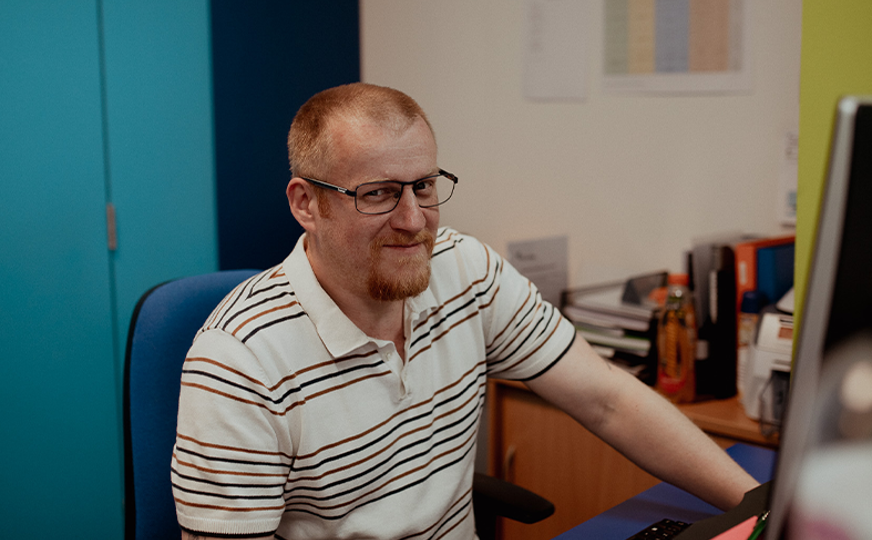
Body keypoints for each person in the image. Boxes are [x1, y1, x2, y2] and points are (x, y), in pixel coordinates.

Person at [172, 83, 758, 540]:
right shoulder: (237, 363)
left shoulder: (462, 269)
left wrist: (760, 507)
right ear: (307, 204)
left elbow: (606, 398)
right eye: (378, 193)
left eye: (423, 186)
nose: (412, 220)